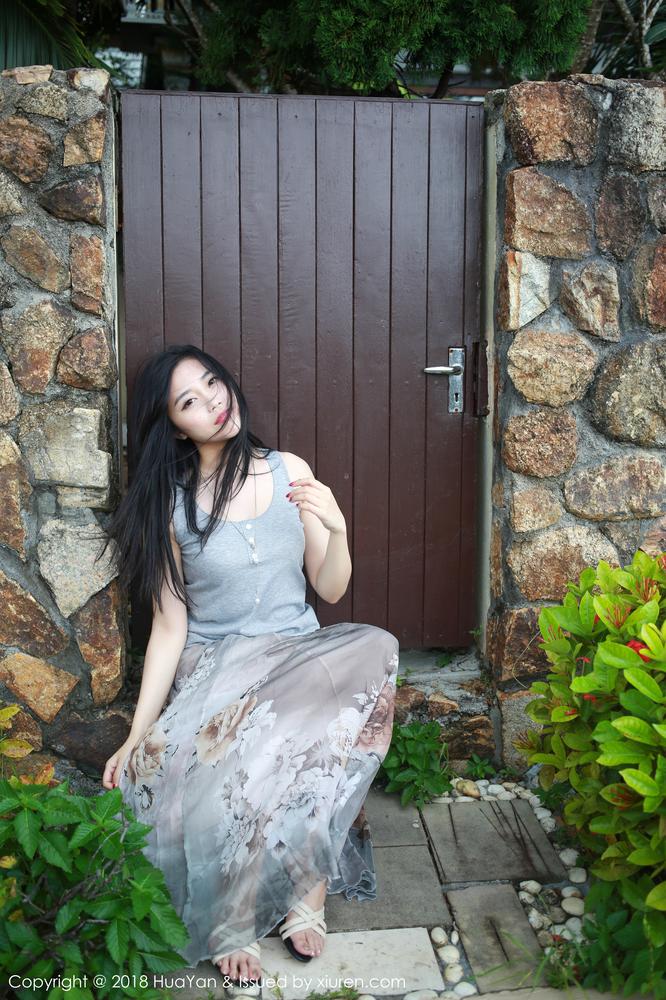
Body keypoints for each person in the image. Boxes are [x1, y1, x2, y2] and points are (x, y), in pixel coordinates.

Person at [100, 344, 399, 989]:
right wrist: (136, 733)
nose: (213, 402)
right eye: (189, 401)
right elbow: (169, 627)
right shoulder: (172, 503)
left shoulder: (289, 470)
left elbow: (330, 588)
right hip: (221, 666)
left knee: (375, 648)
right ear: (173, 426)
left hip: (297, 654)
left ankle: (304, 889)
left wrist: (337, 530)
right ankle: (238, 912)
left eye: (213, 384)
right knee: (264, 742)